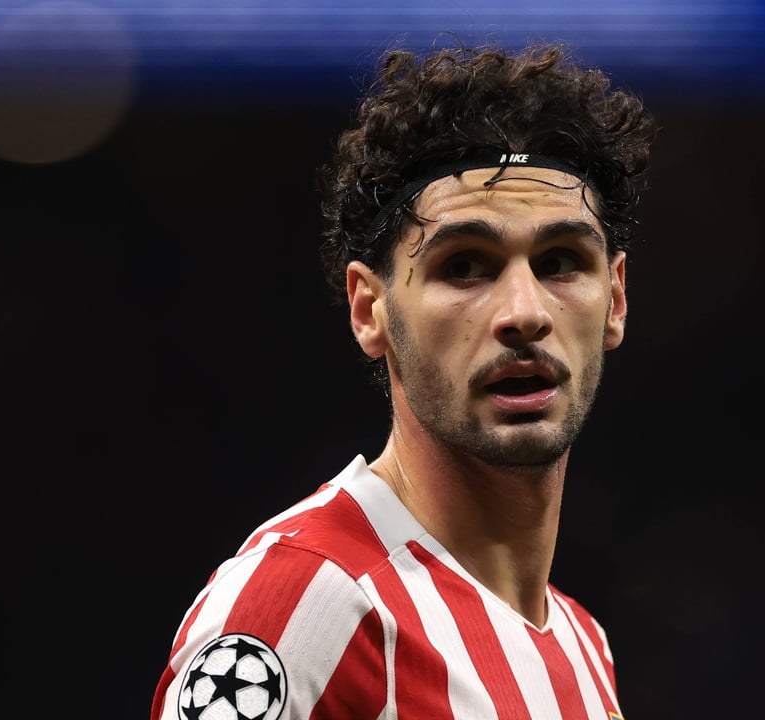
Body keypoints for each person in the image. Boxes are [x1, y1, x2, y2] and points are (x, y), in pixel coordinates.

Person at [150, 40, 656, 720]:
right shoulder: (301, 605)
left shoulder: (583, 646)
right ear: (370, 310)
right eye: (464, 267)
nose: (524, 313)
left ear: (615, 299)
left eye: (561, 262)